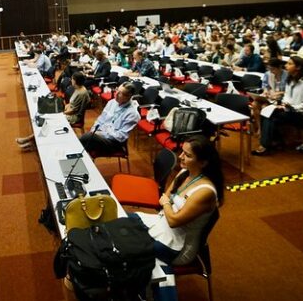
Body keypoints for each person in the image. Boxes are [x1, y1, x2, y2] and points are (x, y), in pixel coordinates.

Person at [132, 135, 223, 301]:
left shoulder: (205, 191)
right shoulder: (184, 173)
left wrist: (167, 204)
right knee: (126, 220)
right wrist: (167, 205)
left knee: (132, 245)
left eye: (187, 155)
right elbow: (164, 200)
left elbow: (173, 220)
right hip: (162, 224)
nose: (180, 157)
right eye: (182, 152)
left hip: (178, 247)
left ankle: (143, 290)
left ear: (203, 162)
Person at [252, 56, 303, 155]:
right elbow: (287, 96)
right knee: (266, 112)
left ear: (298, 67)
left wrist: (288, 108)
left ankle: (265, 146)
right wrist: (283, 105)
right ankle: (276, 141)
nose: (286, 65)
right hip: (290, 110)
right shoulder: (290, 80)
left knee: (271, 116)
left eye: (290, 64)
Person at [16, 73, 91, 151]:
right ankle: (32, 140)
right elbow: (71, 104)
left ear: (75, 81)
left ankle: (32, 141)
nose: (71, 80)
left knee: (50, 121)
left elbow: (74, 110)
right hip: (69, 112)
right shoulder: (78, 89)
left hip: (74, 117)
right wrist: (62, 110)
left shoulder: (81, 93)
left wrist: (61, 113)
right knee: (48, 118)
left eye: (72, 79)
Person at [79, 83, 140, 157]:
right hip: (100, 135)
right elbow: (100, 120)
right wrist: (94, 130)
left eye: (120, 93)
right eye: (117, 90)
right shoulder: (112, 102)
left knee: (86, 139)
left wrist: (101, 134)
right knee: (86, 142)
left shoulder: (132, 114)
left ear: (129, 96)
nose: (116, 94)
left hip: (113, 142)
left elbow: (121, 136)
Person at [250, 58, 287, 137]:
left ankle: (266, 131)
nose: (271, 71)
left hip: (281, 99)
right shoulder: (268, 74)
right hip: (270, 97)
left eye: (273, 69)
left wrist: (278, 93)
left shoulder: (287, 76)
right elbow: (265, 86)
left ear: (280, 67)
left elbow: (289, 92)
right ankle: (260, 128)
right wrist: (266, 91)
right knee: (254, 104)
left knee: (264, 107)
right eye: (269, 69)